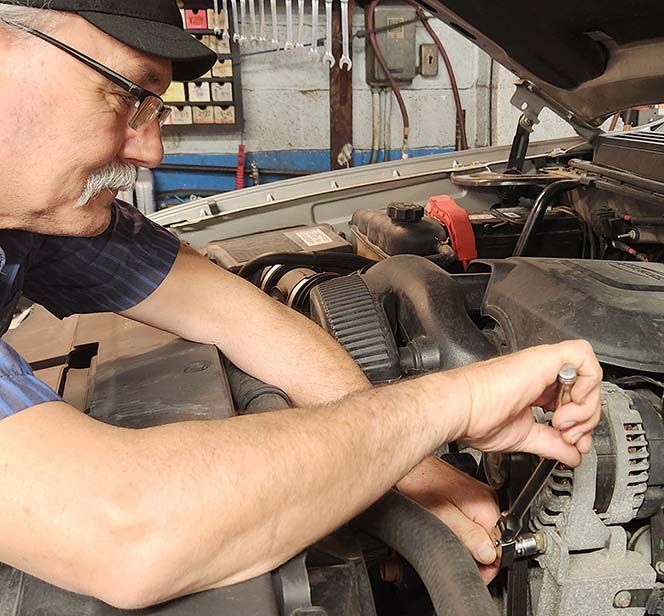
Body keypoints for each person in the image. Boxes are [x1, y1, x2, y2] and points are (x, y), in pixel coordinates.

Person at [0, 0, 602, 609]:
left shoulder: (32, 221)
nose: (152, 150)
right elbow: (125, 531)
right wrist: (456, 402)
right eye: (126, 93)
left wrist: (404, 465)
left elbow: (230, 309)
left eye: (154, 109)